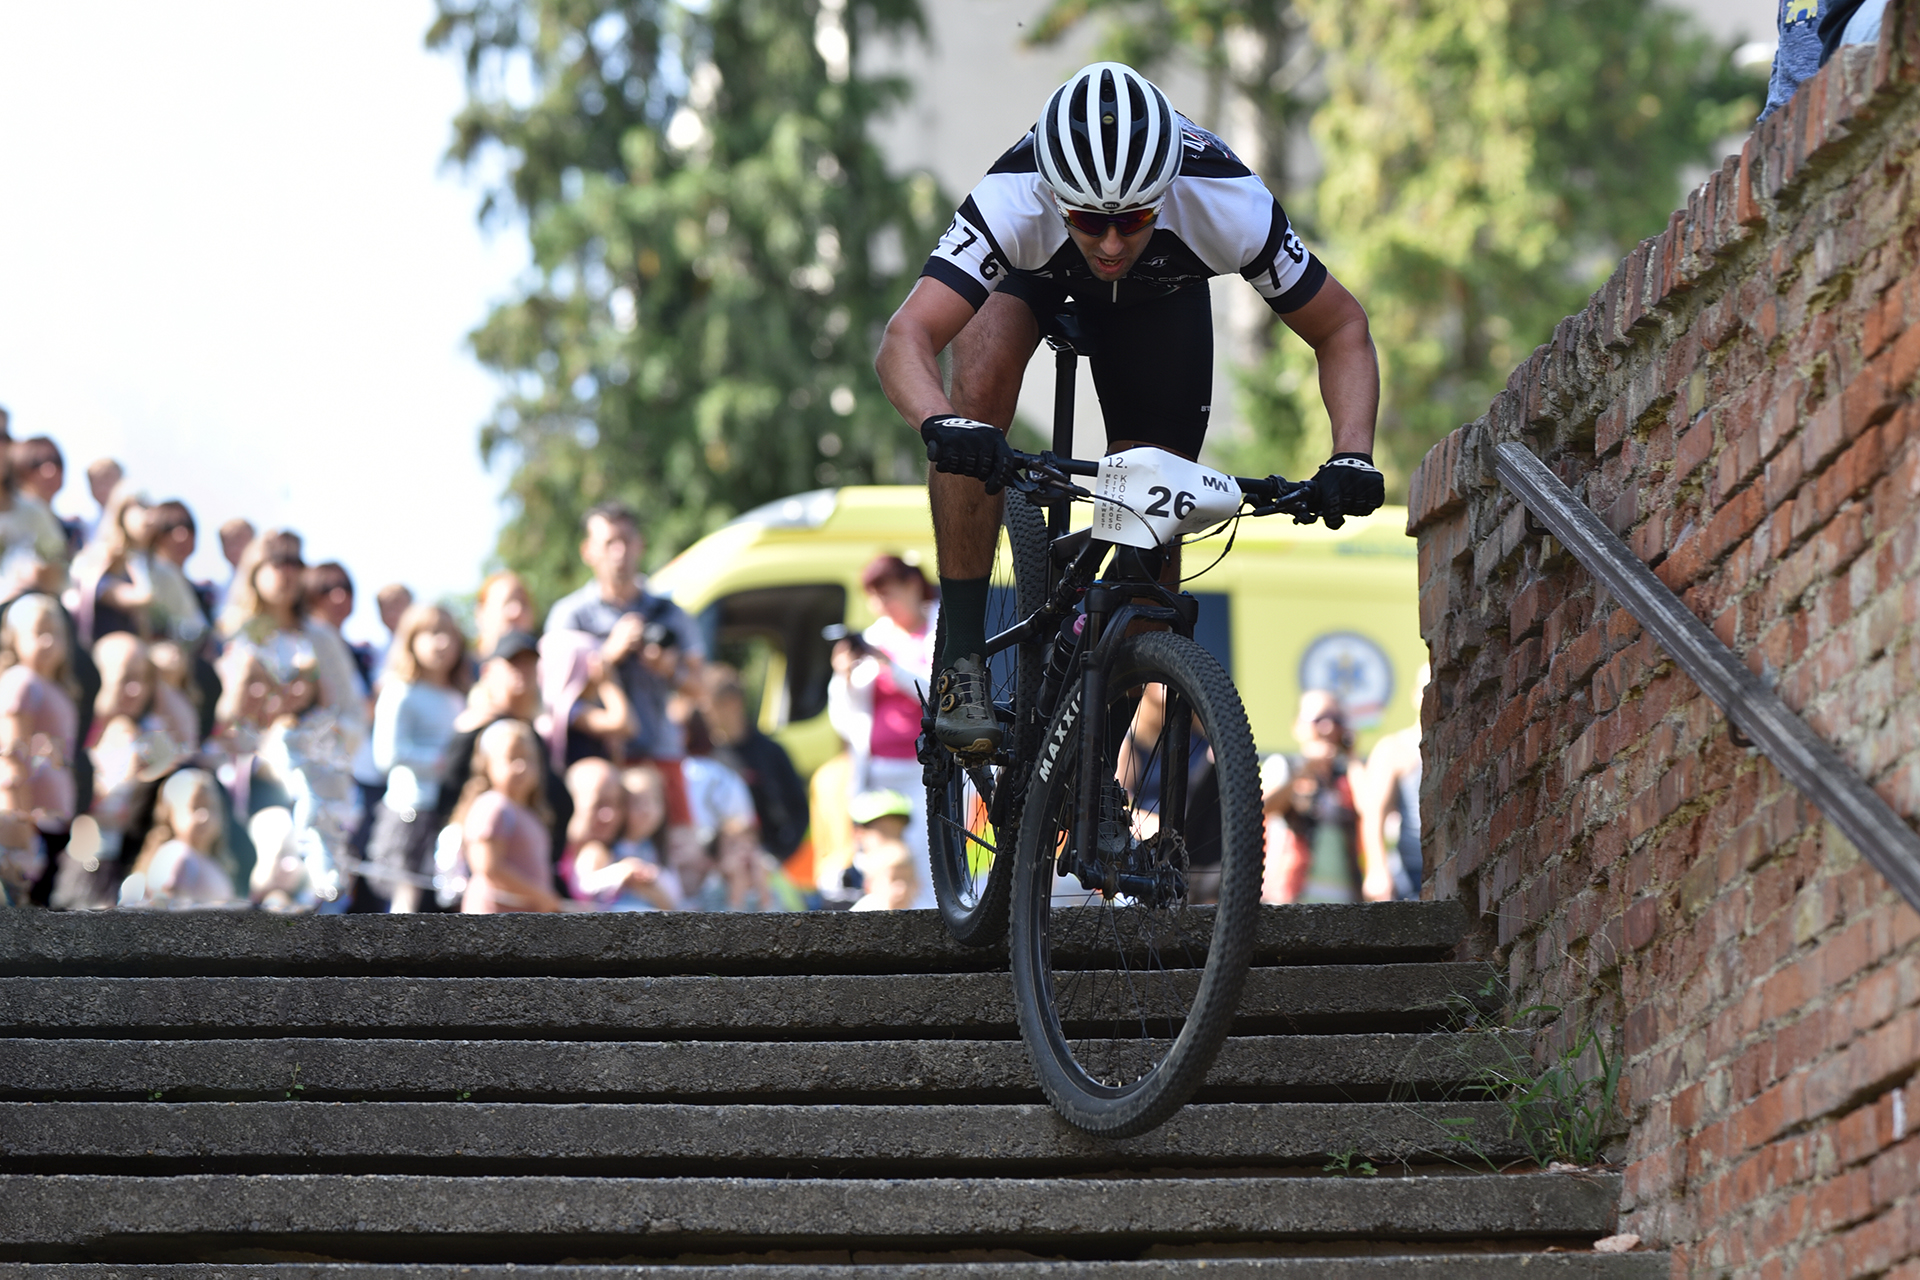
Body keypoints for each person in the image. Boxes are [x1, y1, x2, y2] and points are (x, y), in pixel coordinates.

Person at [874, 61, 1383, 758]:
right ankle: (962, 655)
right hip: (1032, 276)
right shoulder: (1010, 199)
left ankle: (1090, 762)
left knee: (1156, 529)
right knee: (978, 395)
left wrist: (1352, 451)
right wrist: (942, 425)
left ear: (1166, 192)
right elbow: (906, 338)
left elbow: (1341, 328)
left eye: (1133, 219)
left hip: (1161, 298)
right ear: (1056, 195)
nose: (1111, 243)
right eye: (1090, 220)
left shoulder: (1227, 201)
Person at [545, 503, 705, 765]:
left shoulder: (669, 612)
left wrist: (669, 669)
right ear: (588, 551)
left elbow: (702, 688)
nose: (619, 552)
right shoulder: (570, 616)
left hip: (661, 755)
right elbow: (556, 702)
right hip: (597, 763)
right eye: (609, 543)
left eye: (626, 540)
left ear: (640, 544)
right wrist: (607, 655)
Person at [827, 554, 938, 906]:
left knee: (926, 860)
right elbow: (842, 718)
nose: (879, 605)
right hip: (877, 774)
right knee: (880, 863)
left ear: (912, 586)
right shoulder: (874, 637)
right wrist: (843, 677)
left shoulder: (940, 630)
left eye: (886, 594)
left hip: (926, 773)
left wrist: (891, 666)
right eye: (873, 597)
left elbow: (939, 694)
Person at [366, 604, 470, 912]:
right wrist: (441, 762)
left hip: (450, 809)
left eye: (448, 634)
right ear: (411, 640)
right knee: (407, 894)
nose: (442, 643)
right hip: (411, 808)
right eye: (432, 633)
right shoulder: (400, 691)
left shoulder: (456, 695)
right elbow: (386, 755)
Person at [0, 595, 78, 907]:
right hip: (28, 834)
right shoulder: (21, 682)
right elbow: (11, 760)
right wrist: (20, 838)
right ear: (14, 639)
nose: (48, 641)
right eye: (38, 632)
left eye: (55, 633)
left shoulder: (54, 688)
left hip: (52, 828)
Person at [1260, 690, 1363, 904]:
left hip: (1345, 897)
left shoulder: (1348, 774)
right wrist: (1305, 769)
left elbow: (1370, 809)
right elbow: (1266, 808)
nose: (1329, 727)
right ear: (1298, 727)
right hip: (1291, 894)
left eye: (1336, 719)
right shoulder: (1282, 765)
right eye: (1319, 719)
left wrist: (1351, 754)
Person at [451, 717, 561, 913]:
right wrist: (539, 895)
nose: (522, 767)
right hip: (494, 921)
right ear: (487, 764)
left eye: (529, 758)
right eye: (512, 757)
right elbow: (488, 867)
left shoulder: (530, 813)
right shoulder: (492, 806)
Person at [701, 665, 809, 864]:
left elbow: (799, 810)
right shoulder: (707, 756)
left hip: (767, 861)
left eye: (709, 707)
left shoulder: (771, 753)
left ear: (733, 703)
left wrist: (778, 855)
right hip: (721, 866)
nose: (705, 715)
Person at [563, 757, 678, 911]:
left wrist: (652, 881)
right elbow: (583, 887)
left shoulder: (656, 849)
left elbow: (673, 900)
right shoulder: (600, 850)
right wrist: (621, 872)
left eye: (654, 801)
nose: (646, 810)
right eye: (636, 802)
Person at [117, 768, 239, 909]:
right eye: (195, 807)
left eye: (211, 807)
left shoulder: (214, 861)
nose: (204, 816)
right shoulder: (178, 856)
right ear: (170, 814)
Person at [1357, 664, 1428, 903]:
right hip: (1412, 872)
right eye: (1424, 687)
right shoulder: (1396, 748)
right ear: (1414, 695)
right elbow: (1373, 812)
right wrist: (1377, 871)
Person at [847, 788, 918, 911]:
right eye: (884, 833)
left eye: (899, 832)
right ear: (858, 833)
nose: (894, 841)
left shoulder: (907, 864)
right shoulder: (840, 884)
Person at [11, 437, 79, 559]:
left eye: (56, 461)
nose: (50, 471)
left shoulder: (73, 530)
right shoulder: (8, 526)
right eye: (36, 463)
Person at [474, 571, 535, 664]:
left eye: (524, 603)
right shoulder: (459, 673)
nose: (518, 612)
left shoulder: (548, 669)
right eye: (507, 602)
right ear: (481, 613)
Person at [210, 518, 255, 620]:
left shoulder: (267, 583)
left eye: (239, 538)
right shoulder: (216, 591)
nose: (234, 546)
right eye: (227, 541)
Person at [81, 459, 122, 550]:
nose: (102, 485)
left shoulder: (141, 516)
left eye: (107, 477)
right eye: (94, 481)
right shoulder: (85, 528)